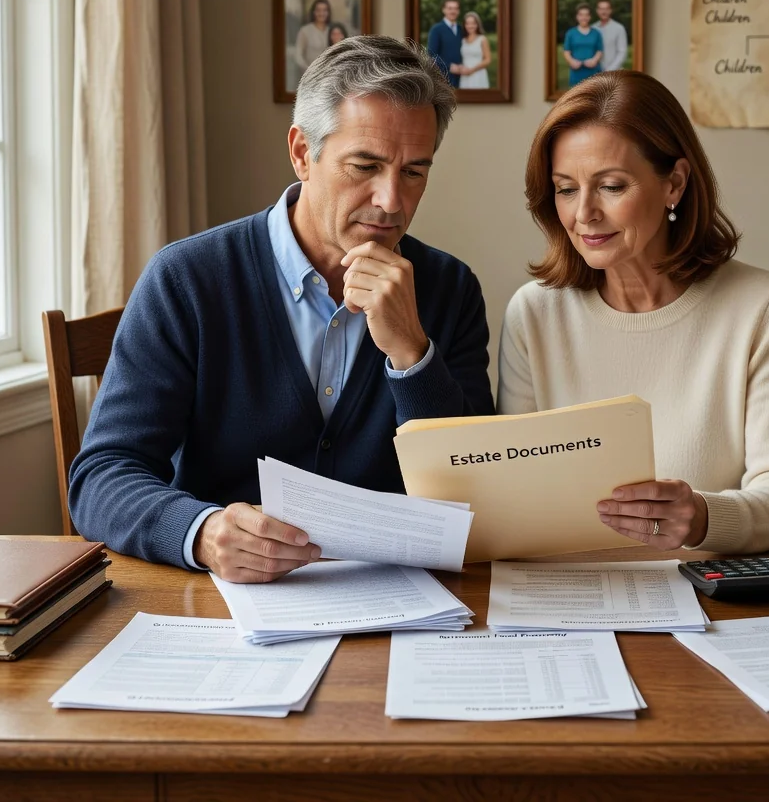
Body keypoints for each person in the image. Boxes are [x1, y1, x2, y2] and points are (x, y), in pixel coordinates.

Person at [70, 36, 495, 580]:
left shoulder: (450, 288)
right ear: (301, 153)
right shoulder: (188, 279)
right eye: (364, 166)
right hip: (219, 605)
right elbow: (102, 476)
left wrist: (413, 355)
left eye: (414, 172)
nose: (392, 201)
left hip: (402, 606)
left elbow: (470, 494)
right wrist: (199, 531)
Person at [498, 71, 769, 554]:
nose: (583, 213)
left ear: (674, 183)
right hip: (565, 599)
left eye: (610, 186)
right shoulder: (534, 313)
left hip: (711, 605)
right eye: (566, 189)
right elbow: (512, 491)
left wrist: (704, 519)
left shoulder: (761, 306)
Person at [562, 3, 603, 87]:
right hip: (576, 73)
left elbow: (600, 51)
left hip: (593, 73)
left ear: (590, 17)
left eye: (586, 15)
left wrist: (594, 60)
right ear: (577, 17)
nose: (584, 17)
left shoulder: (596, 33)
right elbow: (566, 51)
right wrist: (571, 61)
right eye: (581, 15)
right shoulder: (571, 33)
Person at [426, 0, 464, 87]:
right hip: (444, 77)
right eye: (450, 8)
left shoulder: (461, 29)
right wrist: (449, 67)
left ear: (458, 11)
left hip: (462, 76)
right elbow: (431, 55)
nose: (453, 11)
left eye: (455, 8)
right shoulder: (436, 29)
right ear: (444, 10)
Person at [292, 0, 332, 79]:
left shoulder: (332, 31)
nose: (321, 13)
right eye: (318, 10)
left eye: (324, 10)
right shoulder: (305, 31)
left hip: (328, 78)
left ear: (328, 13)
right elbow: (298, 56)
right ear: (314, 12)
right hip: (309, 77)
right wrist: (309, 72)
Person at [458, 12, 491, 89]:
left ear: (477, 24)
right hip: (465, 75)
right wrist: (461, 68)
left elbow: (488, 60)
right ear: (464, 25)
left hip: (478, 74)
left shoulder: (482, 39)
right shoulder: (463, 40)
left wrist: (472, 70)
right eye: (467, 23)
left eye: (473, 23)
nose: (470, 26)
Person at [594, 0, 628, 72]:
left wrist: (609, 70)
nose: (604, 12)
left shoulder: (619, 28)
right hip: (594, 73)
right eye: (601, 9)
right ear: (597, 11)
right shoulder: (593, 28)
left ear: (611, 10)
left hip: (614, 73)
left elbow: (622, 52)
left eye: (607, 9)